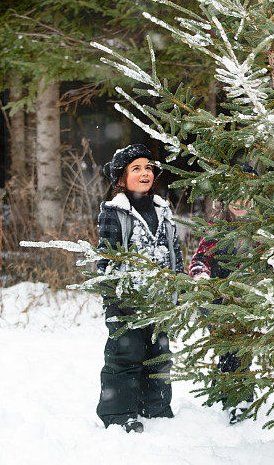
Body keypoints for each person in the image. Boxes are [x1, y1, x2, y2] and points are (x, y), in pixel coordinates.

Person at [96, 143, 184, 433]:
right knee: (125, 356)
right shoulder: (115, 211)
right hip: (126, 300)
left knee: (158, 355)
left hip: (158, 298)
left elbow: (175, 250)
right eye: (137, 168)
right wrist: (114, 294)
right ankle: (119, 413)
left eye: (148, 167)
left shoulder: (162, 208)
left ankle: (156, 407)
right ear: (121, 179)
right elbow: (107, 256)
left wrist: (178, 282)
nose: (145, 172)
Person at [189, 196, 256, 425]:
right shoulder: (218, 226)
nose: (240, 203)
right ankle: (229, 398)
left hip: (250, 299)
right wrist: (201, 276)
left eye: (246, 197)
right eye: (235, 198)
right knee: (228, 349)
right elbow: (200, 257)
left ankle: (241, 396)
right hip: (219, 298)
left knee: (243, 350)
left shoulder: (262, 226)